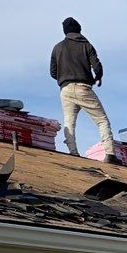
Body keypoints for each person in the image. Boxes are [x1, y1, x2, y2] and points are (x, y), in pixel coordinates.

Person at [50, 18, 116, 162]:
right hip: (83, 88)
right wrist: (97, 78)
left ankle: (73, 152)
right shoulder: (87, 46)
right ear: (79, 29)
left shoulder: (57, 48)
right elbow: (97, 67)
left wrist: (65, 79)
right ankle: (110, 153)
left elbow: (53, 72)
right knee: (102, 120)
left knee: (69, 122)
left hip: (65, 90)